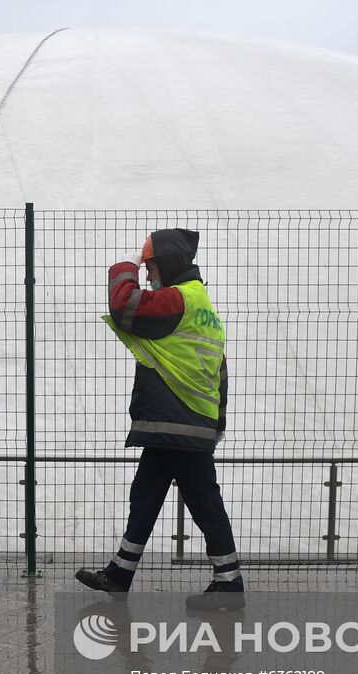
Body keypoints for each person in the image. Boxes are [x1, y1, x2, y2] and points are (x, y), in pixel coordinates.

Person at [75, 228, 243, 607]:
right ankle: (120, 573)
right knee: (150, 495)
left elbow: (126, 308)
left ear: (165, 263)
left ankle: (230, 584)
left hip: (177, 421)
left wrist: (125, 268)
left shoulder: (176, 300)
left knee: (201, 500)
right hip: (187, 422)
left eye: (150, 266)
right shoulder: (202, 304)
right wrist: (217, 422)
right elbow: (220, 370)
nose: (148, 275)